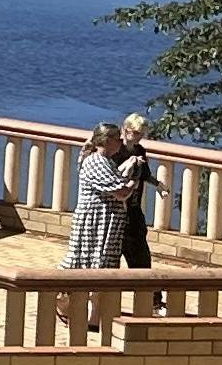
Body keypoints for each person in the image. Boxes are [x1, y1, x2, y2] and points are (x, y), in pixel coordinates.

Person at [66, 123, 138, 270]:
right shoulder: (96, 162)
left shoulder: (107, 162)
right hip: (95, 222)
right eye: (118, 139)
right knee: (88, 262)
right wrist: (134, 182)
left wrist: (128, 169)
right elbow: (121, 193)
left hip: (105, 222)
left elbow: (116, 181)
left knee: (102, 262)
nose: (121, 143)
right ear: (108, 140)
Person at [110, 114, 162, 269]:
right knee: (113, 255)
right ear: (126, 130)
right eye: (137, 133)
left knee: (140, 253)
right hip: (116, 210)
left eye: (142, 134)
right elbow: (111, 178)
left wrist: (158, 184)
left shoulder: (140, 150)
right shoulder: (114, 150)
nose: (140, 137)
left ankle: (151, 291)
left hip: (133, 208)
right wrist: (129, 164)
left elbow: (145, 174)